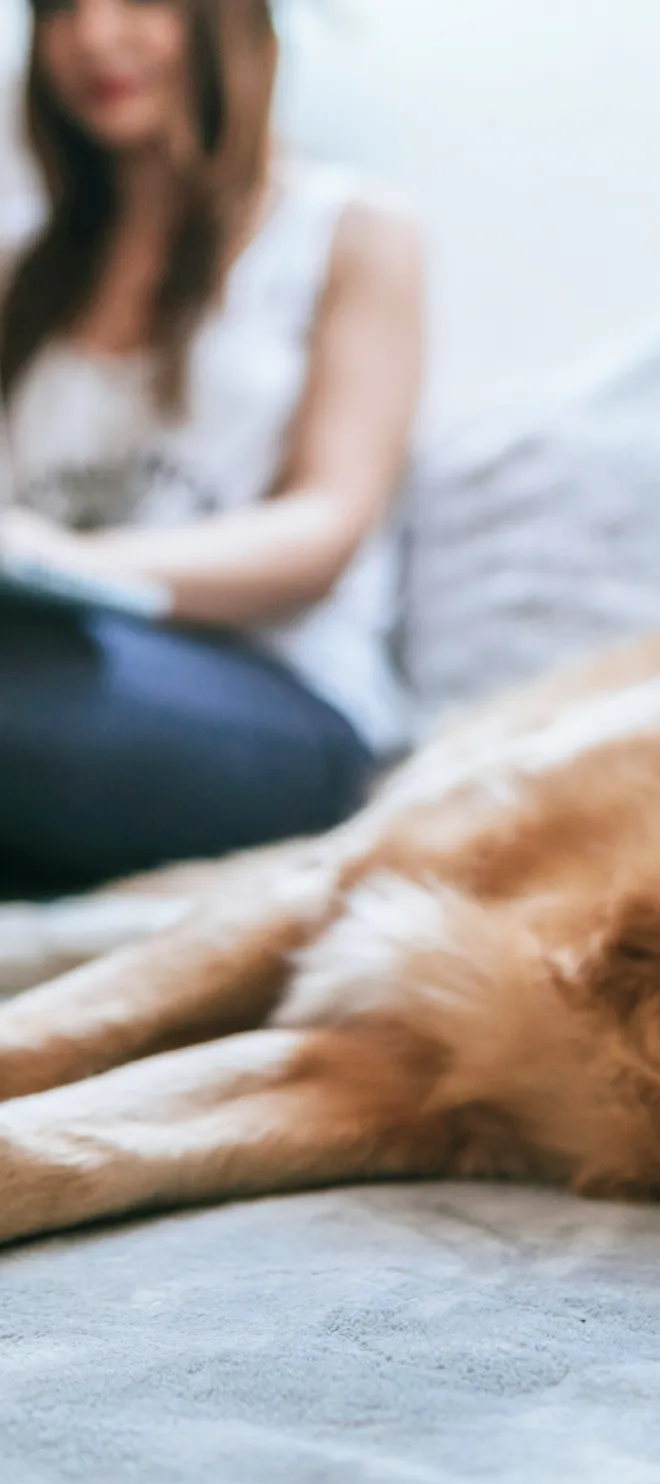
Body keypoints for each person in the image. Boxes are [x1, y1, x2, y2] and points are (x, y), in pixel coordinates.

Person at [0, 0, 423, 899]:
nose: (92, 38)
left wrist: (78, 561)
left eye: (134, 2)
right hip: (50, 679)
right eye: (59, 10)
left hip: (281, 703)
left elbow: (325, 527)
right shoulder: (22, 280)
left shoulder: (349, 231)